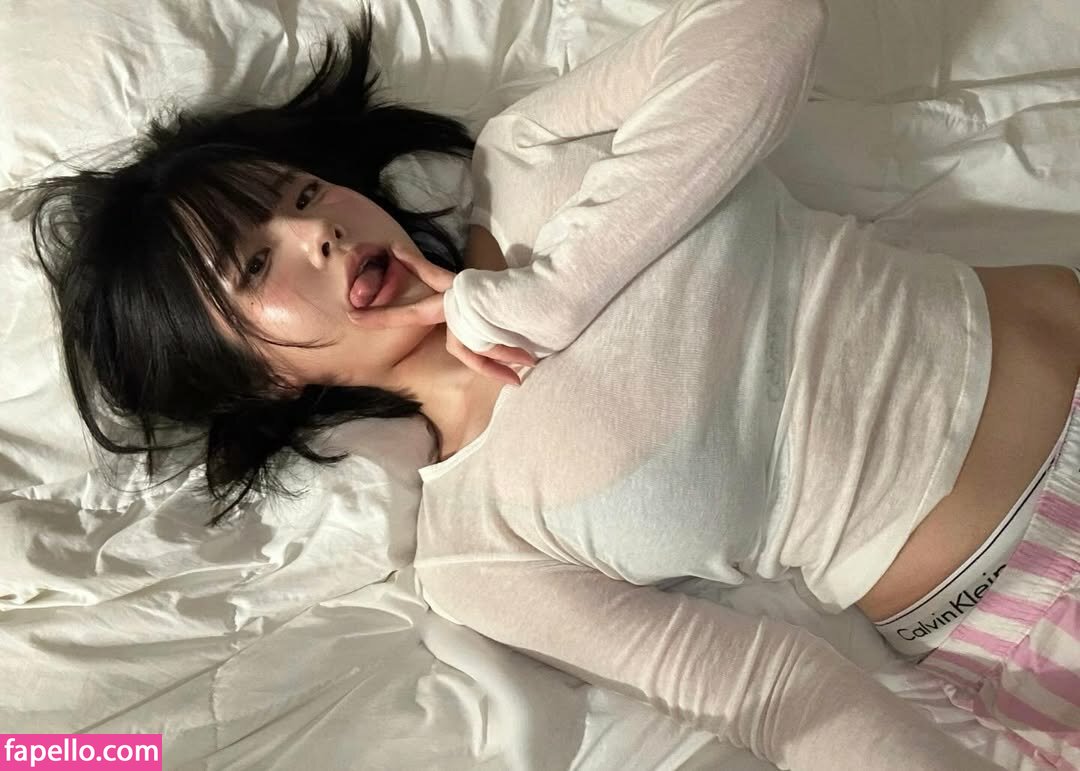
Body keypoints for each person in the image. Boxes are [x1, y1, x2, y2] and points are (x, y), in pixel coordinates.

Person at [24, 0, 1079, 768]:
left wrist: (554, 290)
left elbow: (763, 22)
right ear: (254, 382)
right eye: (257, 266)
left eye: (302, 194)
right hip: (1031, 593)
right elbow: (773, 693)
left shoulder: (527, 157)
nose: (316, 232)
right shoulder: (472, 553)